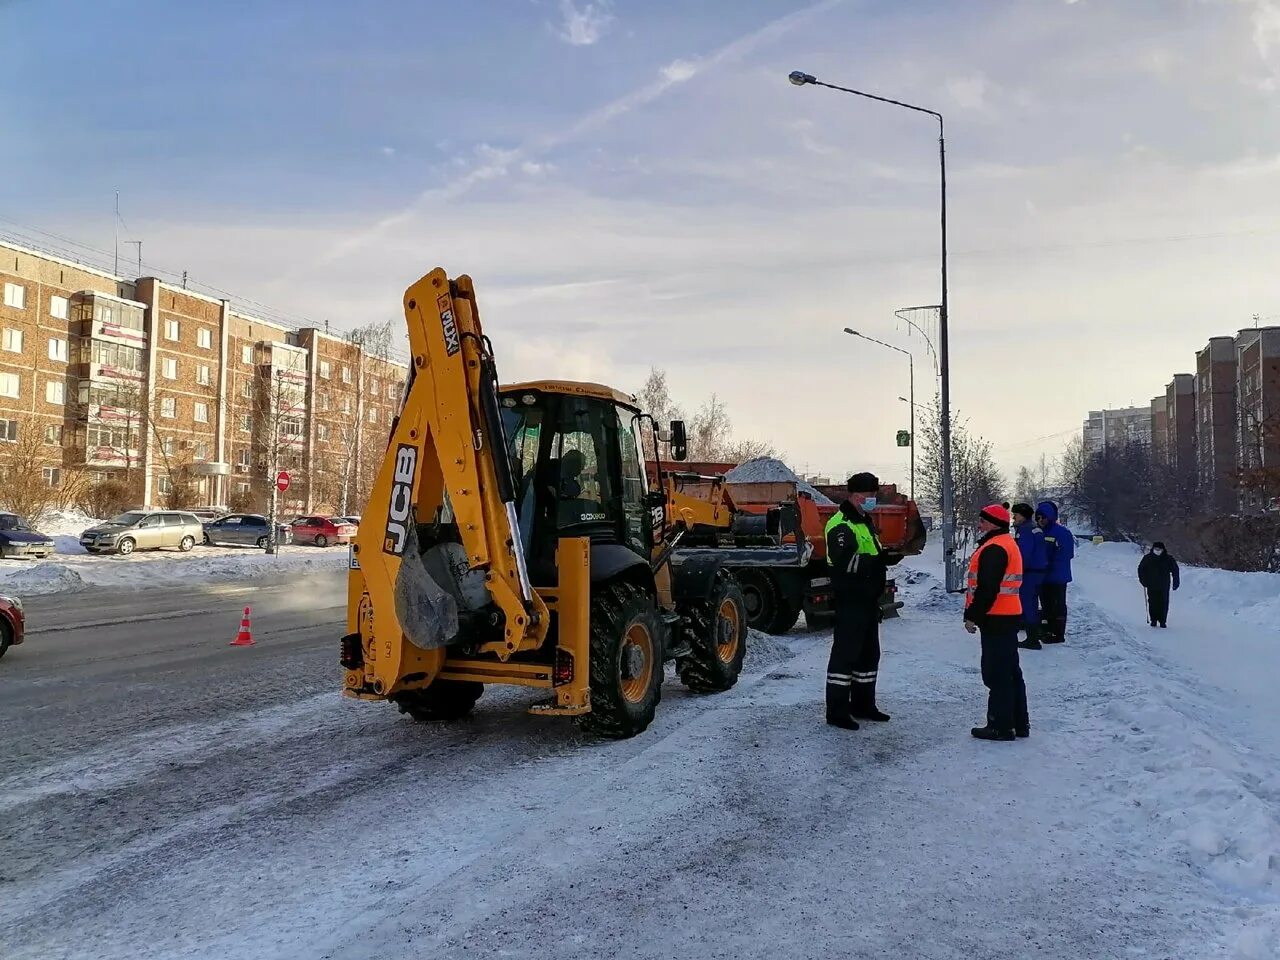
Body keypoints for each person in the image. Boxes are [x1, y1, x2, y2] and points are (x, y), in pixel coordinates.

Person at [823, 472, 895, 730]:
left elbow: (871, 553)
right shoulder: (840, 524)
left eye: (874, 496)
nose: (871, 500)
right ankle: (837, 711)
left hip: (867, 601)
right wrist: (877, 562)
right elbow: (846, 561)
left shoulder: (864, 521)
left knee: (868, 655)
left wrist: (885, 557)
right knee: (845, 657)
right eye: (867, 496)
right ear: (853, 496)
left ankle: (864, 705)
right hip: (850, 599)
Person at [963, 504, 1030, 741]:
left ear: (992, 523)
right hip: (1008, 615)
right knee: (1011, 672)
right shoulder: (1006, 544)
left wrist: (973, 616)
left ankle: (1000, 726)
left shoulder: (994, 548)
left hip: (996, 617)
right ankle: (1019, 723)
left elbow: (987, 589)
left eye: (982, 521)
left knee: (996, 673)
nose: (979, 525)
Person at [1034, 500, 1074, 644]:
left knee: (1057, 605)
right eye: (1038, 518)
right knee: (1046, 605)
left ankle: (1058, 634)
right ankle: (1048, 629)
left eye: (1043, 518)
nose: (1040, 521)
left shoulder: (1062, 533)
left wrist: (1048, 562)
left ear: (1049, 517)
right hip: (1043, 576)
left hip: (1057, 576)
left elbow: (1066, 554)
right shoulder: (1039, 532)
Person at [1011, 503, 1048, 650]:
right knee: (1031, 602)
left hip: (1030, 572)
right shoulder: (1035, 528)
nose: (1014, 517)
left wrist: (1015, 569)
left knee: (1028, 604)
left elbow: (1023, 554)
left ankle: (1032, 639)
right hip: (1039, 571)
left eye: (1016, 514)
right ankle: (1034, 635)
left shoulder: (1025, 530)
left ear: (1023, 515)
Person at [1137, 541, 1180, 628]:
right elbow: (1141, 569)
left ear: (1163, 550)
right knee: (1152, 602)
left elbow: (1175, 570)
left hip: (1164, 585)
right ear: (1153, 549)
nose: (1157, 550)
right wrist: (1143, 581)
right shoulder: (1147, 558)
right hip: (1151, 584)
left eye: (1159, 549)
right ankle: (1153, 620)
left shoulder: (1168, 559)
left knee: (1163, 603)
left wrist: (1176, 582)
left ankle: (1162, 621)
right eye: (1156, 549)